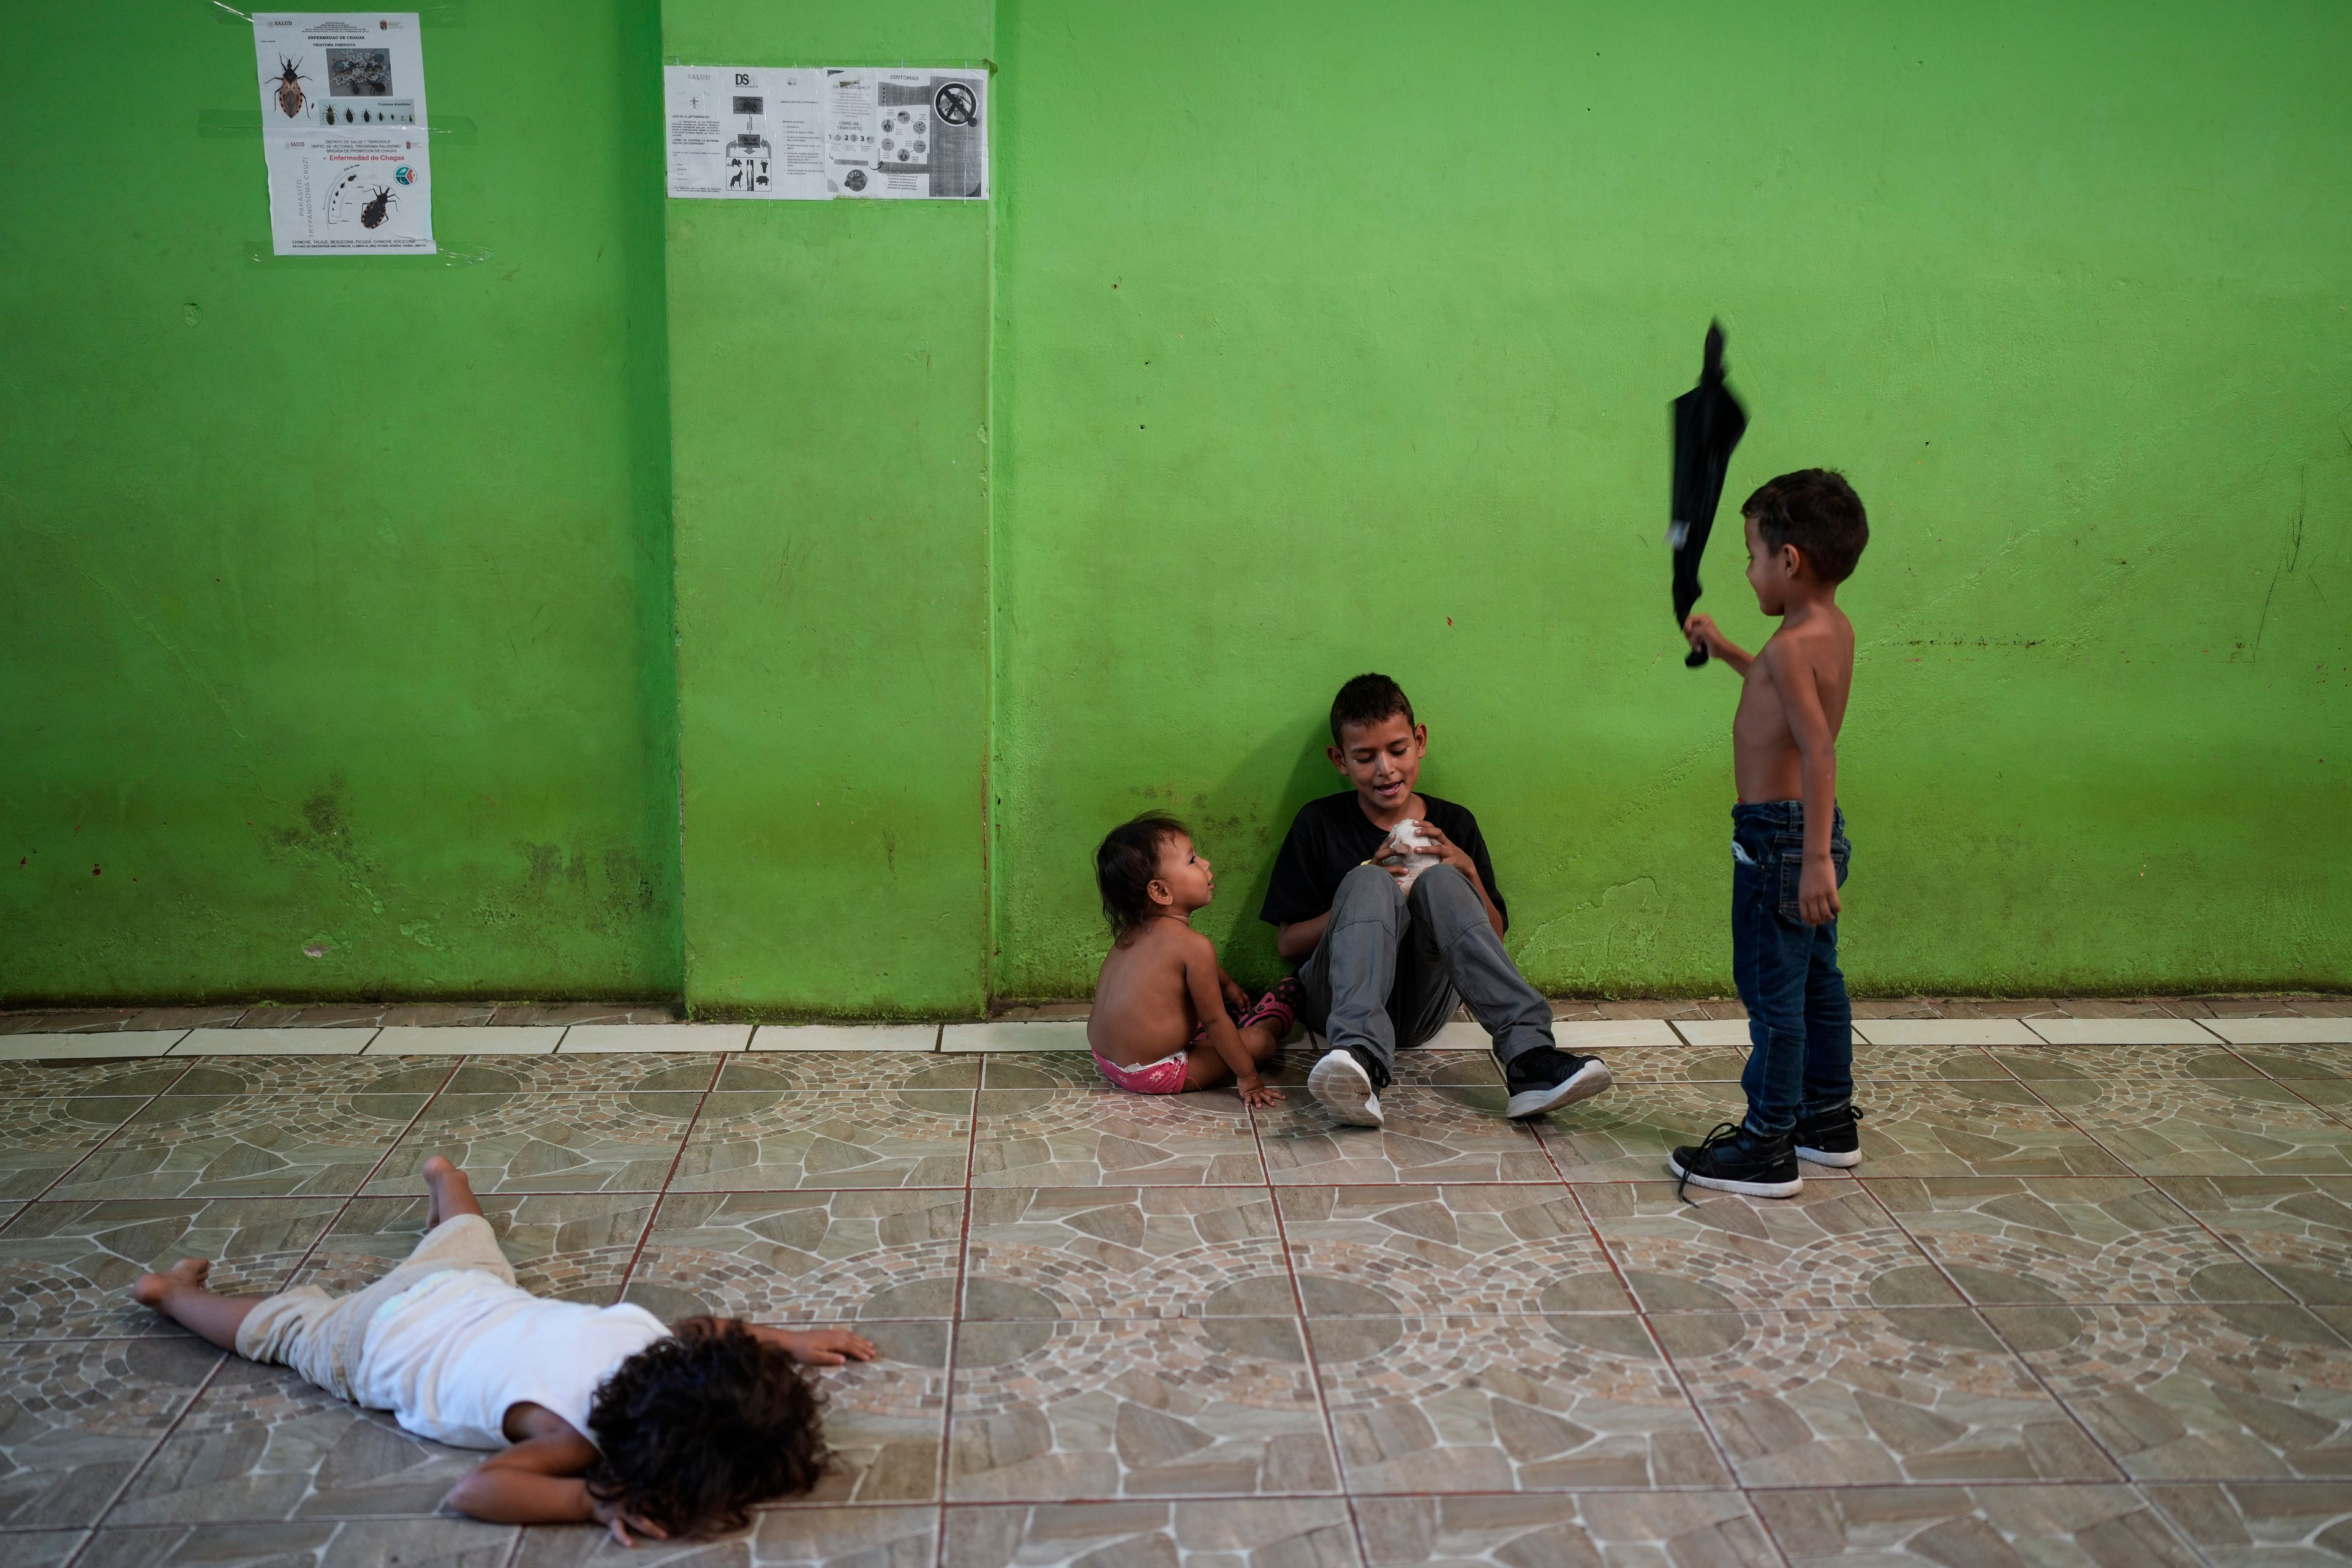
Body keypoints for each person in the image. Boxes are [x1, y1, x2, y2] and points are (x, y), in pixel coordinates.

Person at [132, 1155, 876, 1542]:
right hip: (365, 1342)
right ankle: (173, 1296)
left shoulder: (651, 1341)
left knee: (468, 1237)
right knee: (278, 1327)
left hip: (458, 1289)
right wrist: (591, 1502)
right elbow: (476, 1491)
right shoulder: (568, 1433)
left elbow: (708, 1330)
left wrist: (785, 1340)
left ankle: (444, 1179)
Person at [1261, 674, 1612, 1126]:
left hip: (1421, 1006)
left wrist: (1466, 870)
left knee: (1442, 880)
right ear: (1340, 759)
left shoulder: (1454, 823)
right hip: (1336, 1007)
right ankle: (1359, 1061)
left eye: (1398, 750)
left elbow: (1493, 938)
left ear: (1420, 740)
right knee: (1368, 884)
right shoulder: (1319, 823)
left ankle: (1529, 1058)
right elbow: (1289, 944)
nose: (1385, 769)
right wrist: (1372, 874)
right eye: (1365, 758)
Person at [1676, 468, 1869, 1197]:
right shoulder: (1825, 629)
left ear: (1790, 561)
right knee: (1819, 980)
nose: (1748, 568)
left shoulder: (1793, 646)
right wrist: (1729, 650)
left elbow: (1819, 748)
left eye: (1753, 554)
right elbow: (1785, 697)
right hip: (1805, 834)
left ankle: (1766, 1143)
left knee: (1772, 993)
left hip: (1780, 841)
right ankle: (1826, 1119)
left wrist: (1814, 857)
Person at [1089, 812, 1298, 1104]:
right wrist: (1249, 1079)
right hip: (1154, 1072)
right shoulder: (1193, 945)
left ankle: (1217, 1028)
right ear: (1161, 892)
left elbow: (1183, 969)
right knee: (1259, 1043)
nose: (1205, 863)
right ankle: (1269, 1020)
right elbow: (1215, 1020)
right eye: (1192, 860)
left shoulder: (1131, 933)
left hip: (1107, 1060)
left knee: (1191, 1008)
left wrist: (1225, 984)